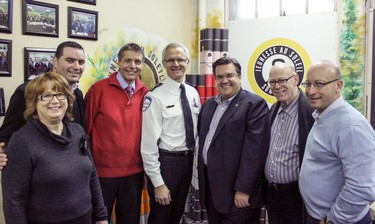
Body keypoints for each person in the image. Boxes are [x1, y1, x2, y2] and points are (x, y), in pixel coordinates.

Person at [2, 72, 108, 223]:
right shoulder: (21, 141)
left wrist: (101, 217)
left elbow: (92, 175)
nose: (55, 101)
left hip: (85, 218)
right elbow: (14, 200)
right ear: (34, 102)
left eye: (60, 95)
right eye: (46, 96)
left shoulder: (78, 131)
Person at [299, 60, 375, 224]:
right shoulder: (322, 115)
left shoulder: (351, 126)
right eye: (308, 84)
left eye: (319, 84)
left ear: (338, 85)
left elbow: (362, 187)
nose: (311, 91)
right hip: (317, 215)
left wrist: (333, 219)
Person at [197, 56, 270, 224]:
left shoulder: (254, 104)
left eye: (229, 75)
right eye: (220, 77)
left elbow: (255, 152)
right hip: (212, 190)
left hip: (237, 195)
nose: (225, 80)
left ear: (239, 77)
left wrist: (243, 190)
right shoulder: (208, 106)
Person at [85, 43, 148, 224]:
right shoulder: (98, 90)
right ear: (119, 62)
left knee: (130, 220)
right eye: (127, 60)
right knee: (97, 219)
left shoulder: (146, 93)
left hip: (134, 173)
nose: (132, 66)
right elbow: (85, 132)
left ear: (142, 65)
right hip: (101, 173)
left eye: (137, 61)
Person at [0, 41, 87, 169]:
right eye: (70, 60)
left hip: (71, 173)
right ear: (55, 62)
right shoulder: (27, 91)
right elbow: (7, 134)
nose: (76, 66)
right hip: (38, 174)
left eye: (81, 62)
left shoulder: (78, 94)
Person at [141, 42, 201, 224]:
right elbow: (148, 145)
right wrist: (158, 183)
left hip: (188, 163)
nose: (176, 64)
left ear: (187, 61)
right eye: (170, 60)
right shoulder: (154, 97)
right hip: (166, 164)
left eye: (180, 59)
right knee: (161, 217)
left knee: (176, 215)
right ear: (164, 63)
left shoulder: (193, 93)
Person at [265, 63, 314, 223]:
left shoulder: (311, 113)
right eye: (272, 82)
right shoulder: (273, 110)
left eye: (282, 80)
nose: (277, 86)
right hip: (272, 194)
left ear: (295, 79)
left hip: (297, 196)